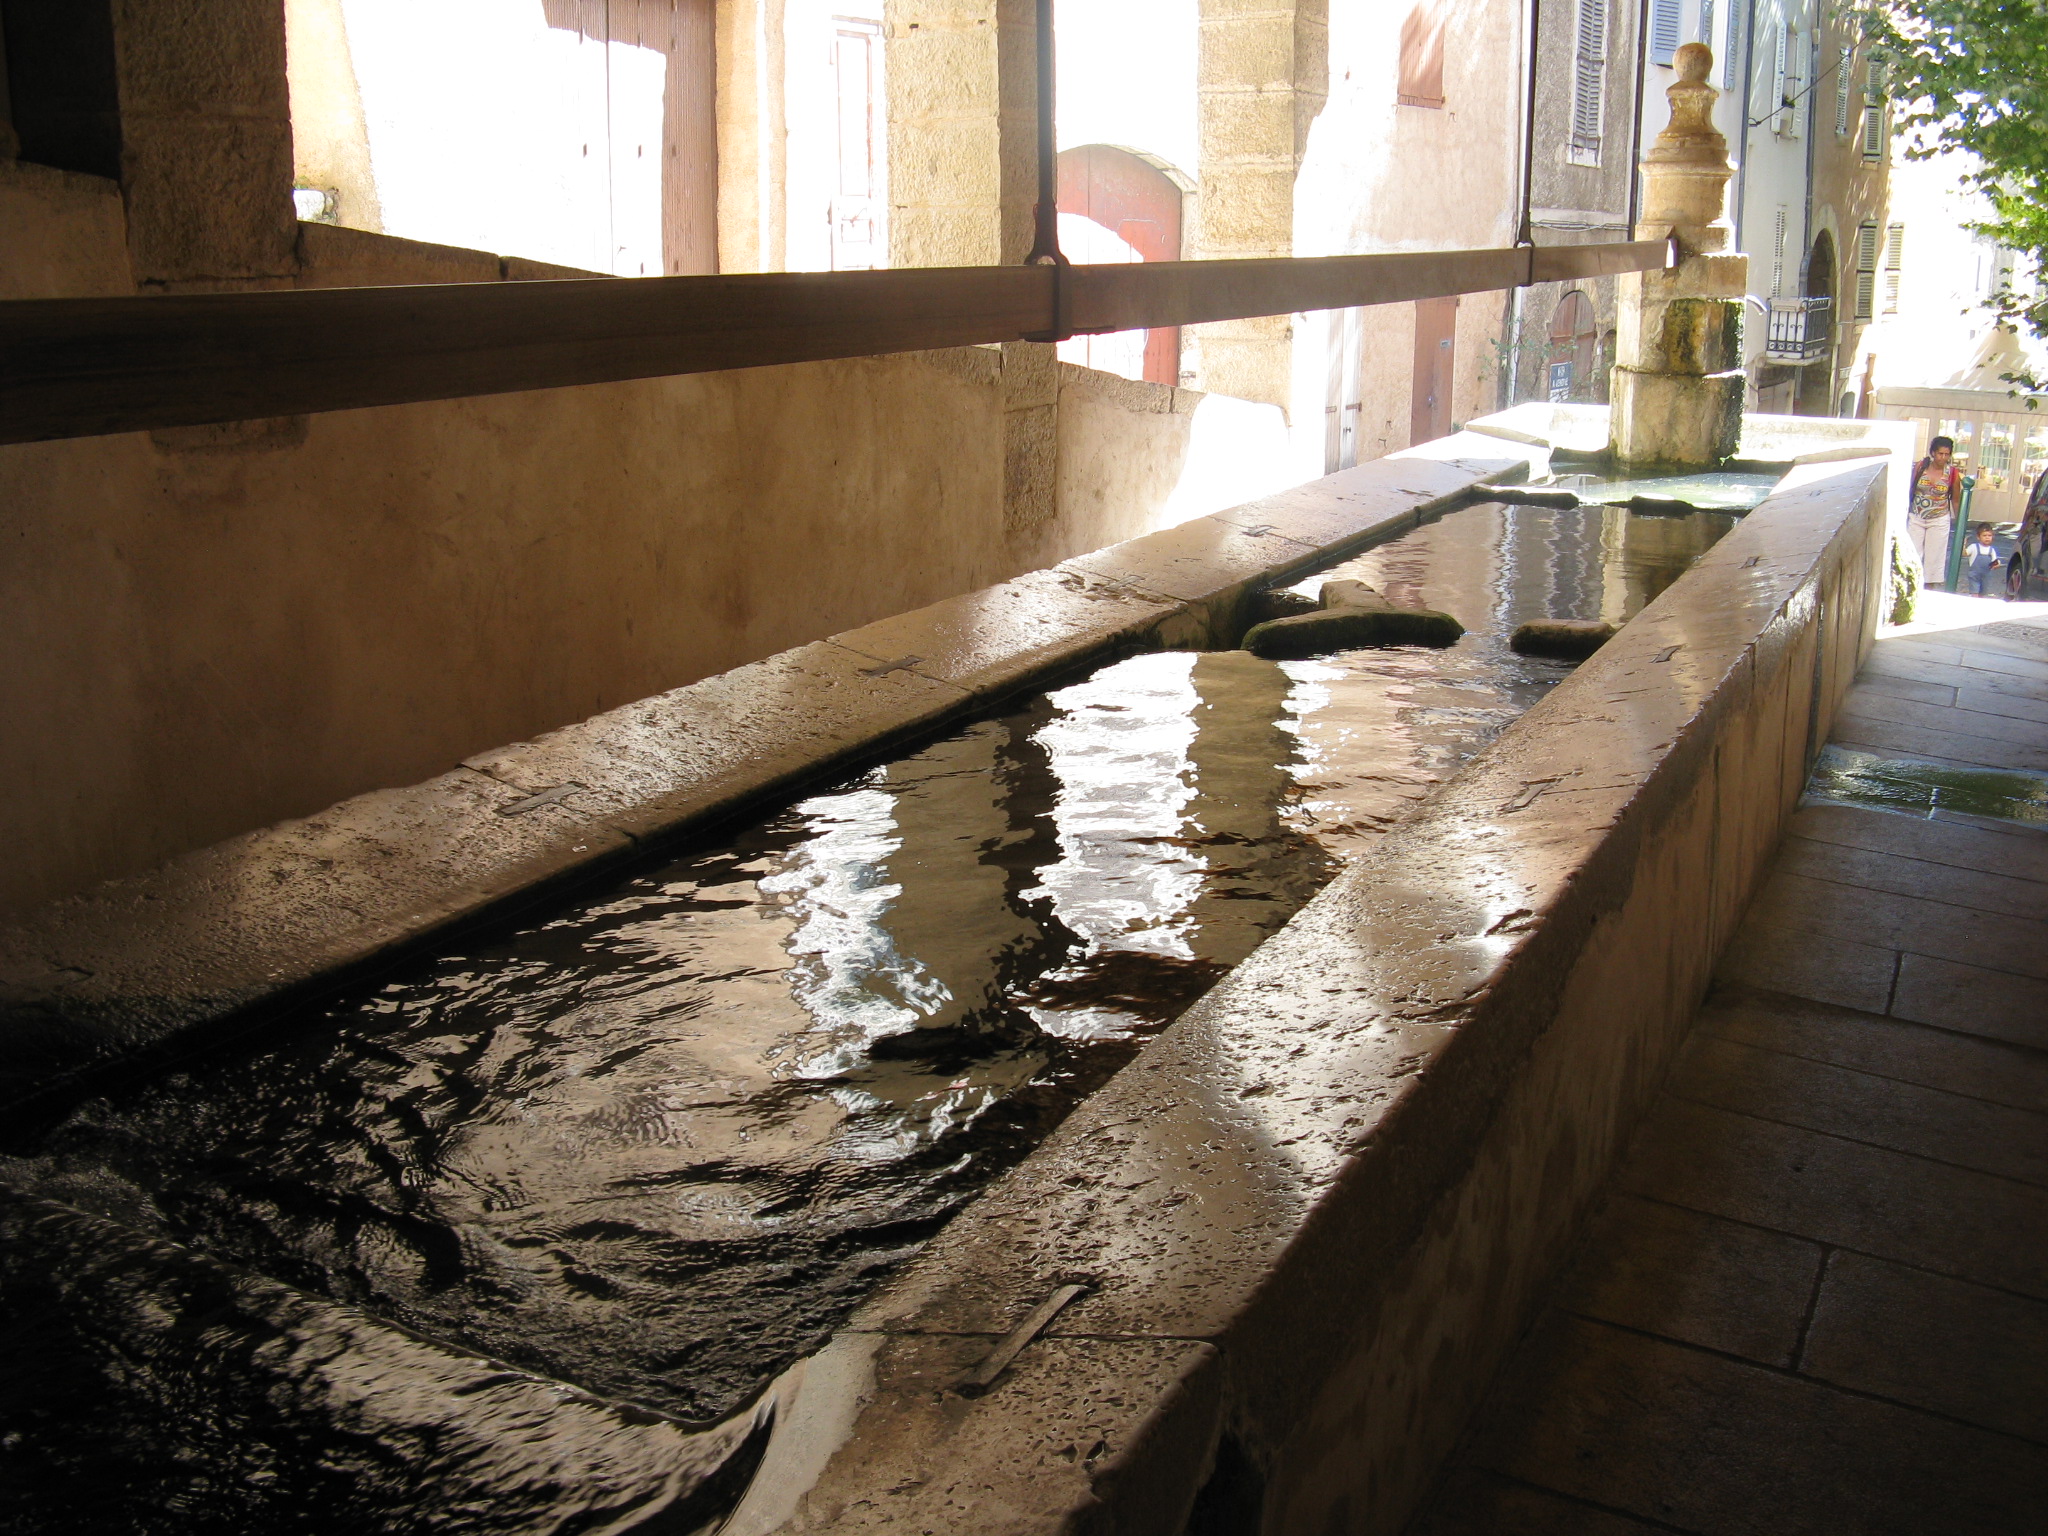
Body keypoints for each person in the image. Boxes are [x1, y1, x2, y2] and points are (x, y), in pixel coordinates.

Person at [1909, 437, 1963, 586]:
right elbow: (1910, 488)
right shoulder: (1920, 467)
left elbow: (1956, 499)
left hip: (1939, 519)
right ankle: (1912, 587)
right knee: (1912, 554)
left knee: (1934, 560)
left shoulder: (1952, 473)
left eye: (1947, 454)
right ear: (1933, 453)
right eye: (1940, 453)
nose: (1943, 457)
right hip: (1916, 516)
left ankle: (1929, 590)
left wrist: (1960, 523)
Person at [1961, 523, 2003, 596]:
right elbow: (1965, 554)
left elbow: (1995, 561)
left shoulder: (1992, 550)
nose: (1987, 538)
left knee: (1983, 593)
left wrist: (1996, 564)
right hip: (1974, 574)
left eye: (1989, 536)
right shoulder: (1974, 547)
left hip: (1986, 575)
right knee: (1975, 592)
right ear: (1978, 537)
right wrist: (1963, 545)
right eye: (1984, 535)